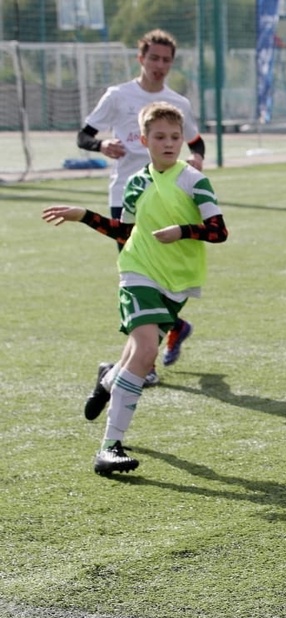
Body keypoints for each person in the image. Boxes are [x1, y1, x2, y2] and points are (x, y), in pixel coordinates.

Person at [43, 101, 228, 476]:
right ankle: (109, 447)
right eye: (160, 136)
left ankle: (108, 380)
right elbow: (124, 233)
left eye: (175, 137)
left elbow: (219, 231)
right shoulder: (136, 182)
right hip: (137, 270)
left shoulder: (194, 180)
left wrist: (183, 231)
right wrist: (84, 216)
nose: (169, 143)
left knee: (136, 358)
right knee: (145, 353)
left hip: (176, 284)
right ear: (143, 139)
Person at [78, 28, 206, 383]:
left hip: (169, 203)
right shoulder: (118, 96)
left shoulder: (178, 103)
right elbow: (84, 134)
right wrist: (101, 146)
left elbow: (197, 143)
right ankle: (164, 338)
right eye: (154, 58)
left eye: (166, 60)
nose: (160, 66)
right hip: (126, 197)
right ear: (141, 59)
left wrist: (196, 159)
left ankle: (146, 358)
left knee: (159, 276)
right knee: (135, 275)